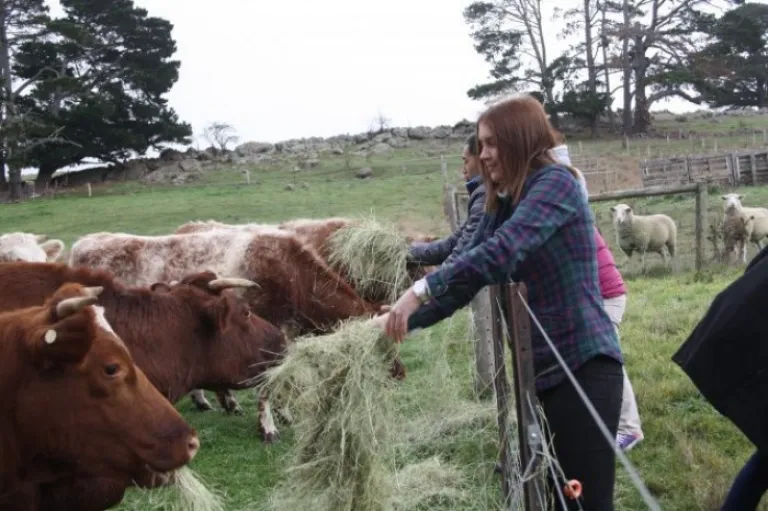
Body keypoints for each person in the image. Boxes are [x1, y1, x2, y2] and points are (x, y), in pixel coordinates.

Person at [371, 95, 624, 510]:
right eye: (482, 144)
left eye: (491, 143)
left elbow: (501, 252)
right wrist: (402, 321)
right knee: (559, 499)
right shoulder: (505, 202)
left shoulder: (556, 184)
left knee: (584, 504)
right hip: (543, 374)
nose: (484, 154)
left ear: (518, 139)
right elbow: (468, 278)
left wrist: (418, 291)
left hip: (583, 370)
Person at [551, 137, 645, 452]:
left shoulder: (569, 214)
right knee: (593, 359)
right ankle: (601, 418)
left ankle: (629, 428)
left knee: (607, 359)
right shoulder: (570, 209)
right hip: (597, 295)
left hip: (606, 296)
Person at [407, 134, 486, 267]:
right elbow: (453, 243)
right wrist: (406, 253)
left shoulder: (484, 197)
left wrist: (430, 281)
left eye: (466, 161)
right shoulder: (481, 195)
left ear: (482, 159)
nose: (463, 170)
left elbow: (460, 253)